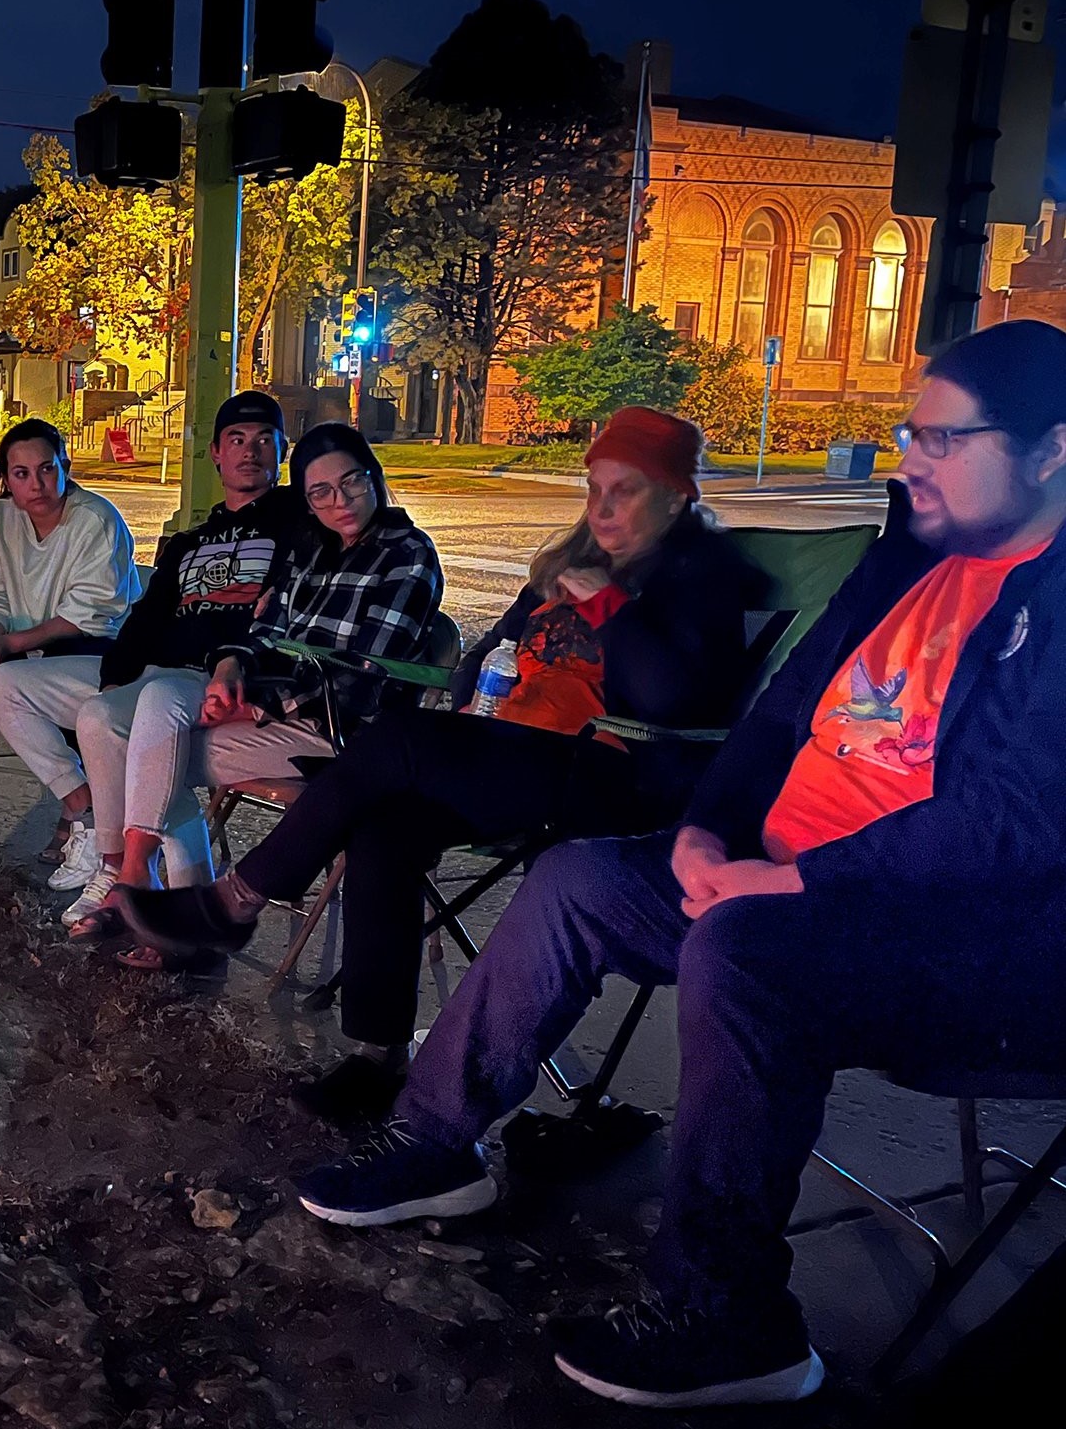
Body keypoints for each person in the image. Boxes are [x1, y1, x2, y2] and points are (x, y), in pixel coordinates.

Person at [287, 322, 1066, 1410]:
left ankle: (730, 1313)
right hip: (778, 877)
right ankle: (436, 1143)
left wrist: (793, 883)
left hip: (954, 937)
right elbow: (778, 714)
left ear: (1052, 449)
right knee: (579, 881)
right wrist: (709, 829)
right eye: (908, 433)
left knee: (746, 948)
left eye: (942, 439)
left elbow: (1015, 825)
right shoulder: (908, 560)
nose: (908, 460)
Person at [119, 406, 756, 1105]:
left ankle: (234, 900)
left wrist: (606, 606)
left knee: (392, 738)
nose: (601, 508)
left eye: (624, 490)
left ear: (674, 493)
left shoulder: (700, 571)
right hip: (515, 751)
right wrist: (473, 698)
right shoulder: (576, 558)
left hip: (610, 770)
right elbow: (486, 652)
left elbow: (672, 698)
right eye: (593, 487)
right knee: (383, 826)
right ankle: (376, 1054)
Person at [104, 421, 445, 967]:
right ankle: (174, 912)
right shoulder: (308, 550)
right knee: (159, 713)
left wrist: (258, 701)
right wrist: (233, 669)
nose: (341, 502)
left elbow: (364, 671)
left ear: (374, 477)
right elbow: (264, 631)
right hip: (279, 712)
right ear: (307, 502)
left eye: (353, 482)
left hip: (343, 734)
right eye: (321, 493)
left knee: (150, 755)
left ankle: (149, 897)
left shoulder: (407, 553)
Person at [17, 391, 315, 928]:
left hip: (225, 678)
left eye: (263, 441)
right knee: (97, 711)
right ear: (216, 455)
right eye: (236, 441)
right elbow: (147, 617)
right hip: (162, 676)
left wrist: (226, 657)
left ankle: (140, 881)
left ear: (282, 452)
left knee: (133, 725)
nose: (249, 452)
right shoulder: (187, 542)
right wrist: (113, 677)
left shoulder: (299, 524)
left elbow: (285, 609)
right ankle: (131, 876)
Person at [0, 418, 140, 844]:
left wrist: (10, 644)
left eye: (47, 469)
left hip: (92, 639)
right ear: (6, 479)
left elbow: (89, 613)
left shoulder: (96, 520)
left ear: (65, 465)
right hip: (17, 637)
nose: (36, 484)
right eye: (21, 474)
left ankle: (78, 802)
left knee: (64, 673)